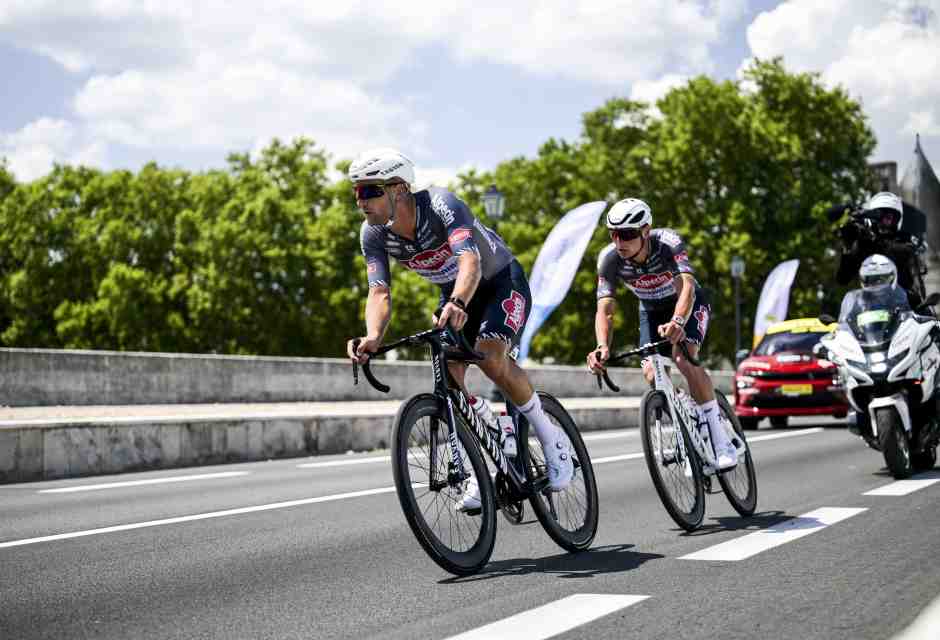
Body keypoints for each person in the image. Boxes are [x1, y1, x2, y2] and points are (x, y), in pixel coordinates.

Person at [344, 148, 573, 511]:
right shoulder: (373, 234)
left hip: (498, 283)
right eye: (357, 192)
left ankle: (551, 438)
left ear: (399, 189)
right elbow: (379, 292)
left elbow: (470, 260)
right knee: (448, 376)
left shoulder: (440, 204)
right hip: (454, 294)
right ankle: (479, 466)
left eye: (370, 191)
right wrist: (373, 336)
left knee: (490, 357)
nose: (361, 201)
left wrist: (459, 302)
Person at [586, 197, 738, 469]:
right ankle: (687, 414)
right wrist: (601, 346)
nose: (619, 242)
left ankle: (720, 439)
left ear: (645, 230)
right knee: (651, 373)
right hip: (651, 310)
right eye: (614, 234)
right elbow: (605, 310)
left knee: (682, 358)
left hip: (686, 304)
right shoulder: (609, 259)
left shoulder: (668, 243)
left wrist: (678, 321)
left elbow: (686, 287)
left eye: (627, 234)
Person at [831, 192, 928, 309]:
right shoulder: (865, 243)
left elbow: (899, 252)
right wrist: (848, 246)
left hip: (904, 307)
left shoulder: (904, 240)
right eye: (879, 216)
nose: (885, 222)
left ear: (897, 220)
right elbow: (842, 279)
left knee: (926, 313)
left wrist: (872, 241)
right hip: (869, 308)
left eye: (889, 217)